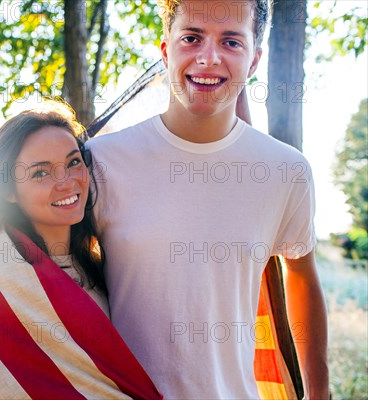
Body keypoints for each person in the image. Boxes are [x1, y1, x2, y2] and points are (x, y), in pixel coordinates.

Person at [86, 1, 329, 399]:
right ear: (166, 51)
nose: (209, 57)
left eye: (232, 41)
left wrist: (318, 393)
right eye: (191, 38)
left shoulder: (286, 171)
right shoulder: (102, 161)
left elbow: (300, 272)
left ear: (254, 62)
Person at [0, 101, 161, 399]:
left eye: (73, 162)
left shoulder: (99, 263)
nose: (66, 182)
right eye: (40, 174)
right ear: (8, 190)